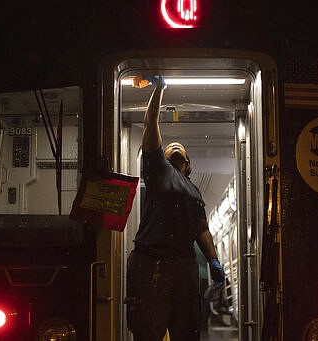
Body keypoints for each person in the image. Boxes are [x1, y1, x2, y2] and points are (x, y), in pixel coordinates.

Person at [126, 76, 225, 341]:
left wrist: (214, 260)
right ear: (163, 157)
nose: (174, 145)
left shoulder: (194, 191)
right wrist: (159, 89)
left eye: (180, 147)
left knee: (187, 330)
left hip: (184, 263)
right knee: (149, 331)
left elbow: (201, 229)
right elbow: (151, 123)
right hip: (152, 261)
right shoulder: (159, 171)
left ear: (189, 162)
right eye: (169, 146)